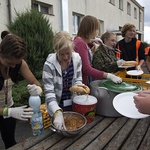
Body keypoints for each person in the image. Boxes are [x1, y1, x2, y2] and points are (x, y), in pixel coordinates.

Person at [0, 31, 42, 149]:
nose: (13, 66)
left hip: (9, 108)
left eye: (16, 63)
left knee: (10, 142)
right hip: (8, 111)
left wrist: (38, 89)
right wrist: (8, 112)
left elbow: (35, 82)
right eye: (9, 63)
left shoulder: (19, 63)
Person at [42, 31, 84, 130]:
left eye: (68, 53)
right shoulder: (49, 65)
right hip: (56, 104)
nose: (65, 57)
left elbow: (78, 79)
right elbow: (49, 93)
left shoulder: (77, 59)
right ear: (56, 50)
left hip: (72, 103)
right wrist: (57, 112)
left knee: (73, 126)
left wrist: (79, 89)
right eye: (62, 54)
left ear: (72, 49)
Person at [73, 15, 122, 86]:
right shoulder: (81, 43)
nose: (97, 32)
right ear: (90, 29)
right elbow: (87, 69)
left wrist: (90, 42)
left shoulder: (80, 41)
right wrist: (109, 76)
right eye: (96, 29)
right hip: (81, 83)